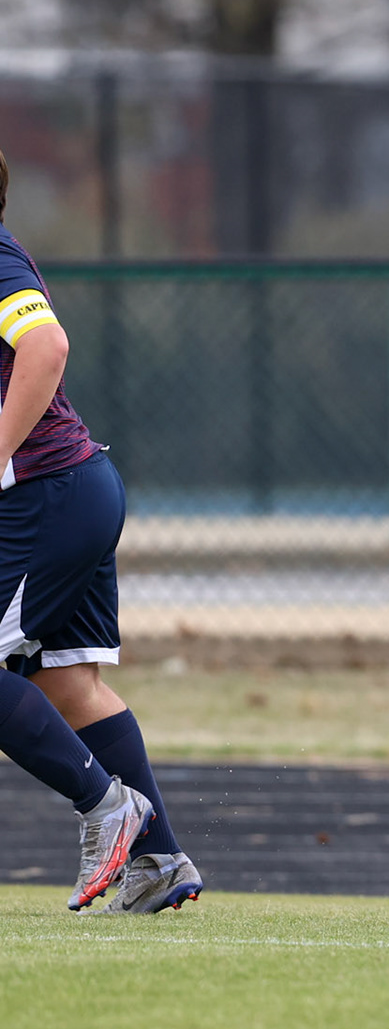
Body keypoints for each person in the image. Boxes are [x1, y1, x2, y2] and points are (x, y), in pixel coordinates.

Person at [0, 147, 201, 912]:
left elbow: (45, 347)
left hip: (47, 495)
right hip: (77, 488)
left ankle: (107, 807)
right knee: (66, 684)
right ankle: (157, 862)